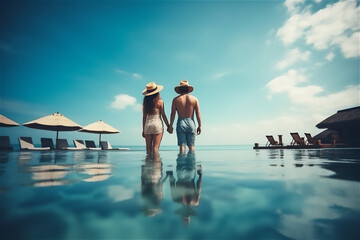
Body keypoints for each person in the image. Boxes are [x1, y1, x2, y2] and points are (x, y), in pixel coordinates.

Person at [168, 80, 201, 153]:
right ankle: (191, 163)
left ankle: (181, 163)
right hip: (191, 122)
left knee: (182, 147)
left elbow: (172, 114)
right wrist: (200, 126)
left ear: (180, 89)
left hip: (180, 122)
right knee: (191, 146)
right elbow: (198, 113)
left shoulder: (176, 100)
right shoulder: (194, 99)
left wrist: (170, 126)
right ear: (188, 89)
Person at [142, 82, 170, 155]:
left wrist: (143, 130)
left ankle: (148, 165)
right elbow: (163, 115)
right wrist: (168, 126)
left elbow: (144, 117)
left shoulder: (145, 103)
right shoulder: (160, 102)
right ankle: (156, 165)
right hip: (157, 124)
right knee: (155, 148)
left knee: (148, 148)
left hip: (147, 125)